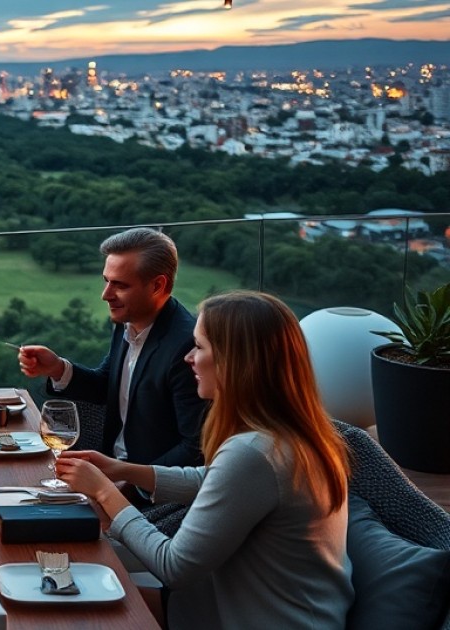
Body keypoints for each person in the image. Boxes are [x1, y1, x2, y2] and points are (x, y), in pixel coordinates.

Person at [57, 291, 353, 629]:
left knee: (70, 602)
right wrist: (125, 471)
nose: (188, 358)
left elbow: (174, 566)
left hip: (257, 619)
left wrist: (107, 494)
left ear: (235, 361)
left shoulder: (254, 453)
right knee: (75, 597)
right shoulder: (293, 436)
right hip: (226, 605)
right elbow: (213, 478)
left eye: (199, 346)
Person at [19, 227, 206, 468]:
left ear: (158, 286)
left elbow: (195, 448)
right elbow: (107, 386)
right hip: (110, 469)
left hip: (149, 492)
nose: (105, 295)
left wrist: (129, 481)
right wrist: (57, 369)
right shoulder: (127, 321)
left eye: (120, 285)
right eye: (106, 281)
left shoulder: (186, 347)